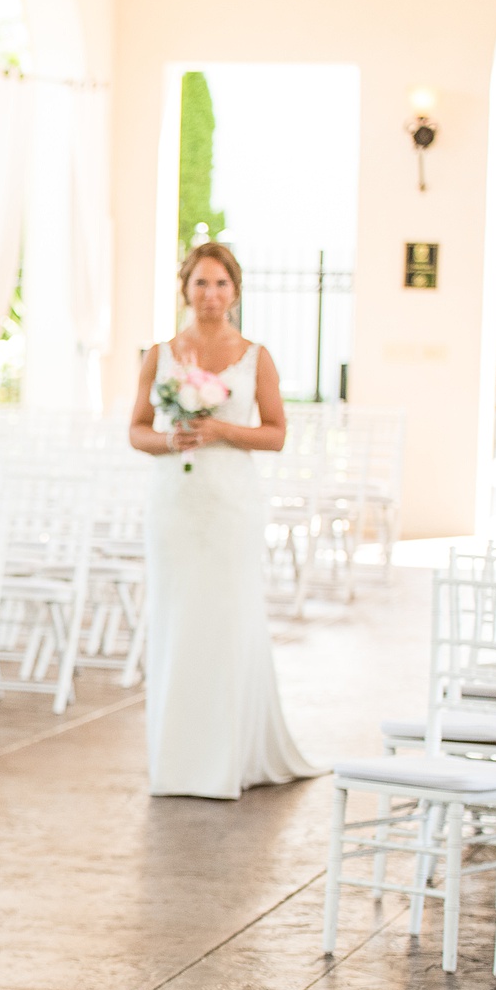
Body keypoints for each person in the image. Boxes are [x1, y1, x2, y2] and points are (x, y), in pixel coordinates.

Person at [127, 241, 317, 799]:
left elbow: (277, 433)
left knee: (227, 616)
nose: (210, 295)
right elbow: (136, 430)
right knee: (177, 618)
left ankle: (231, 758)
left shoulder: (255, 355)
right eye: (200, 284)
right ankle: (179, 762)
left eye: (221, 284)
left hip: (230, 502)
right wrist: (170, 439)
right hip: (175, 504)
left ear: (235, 291)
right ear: (185, 289)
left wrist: (222, 431)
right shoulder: (160, 353)